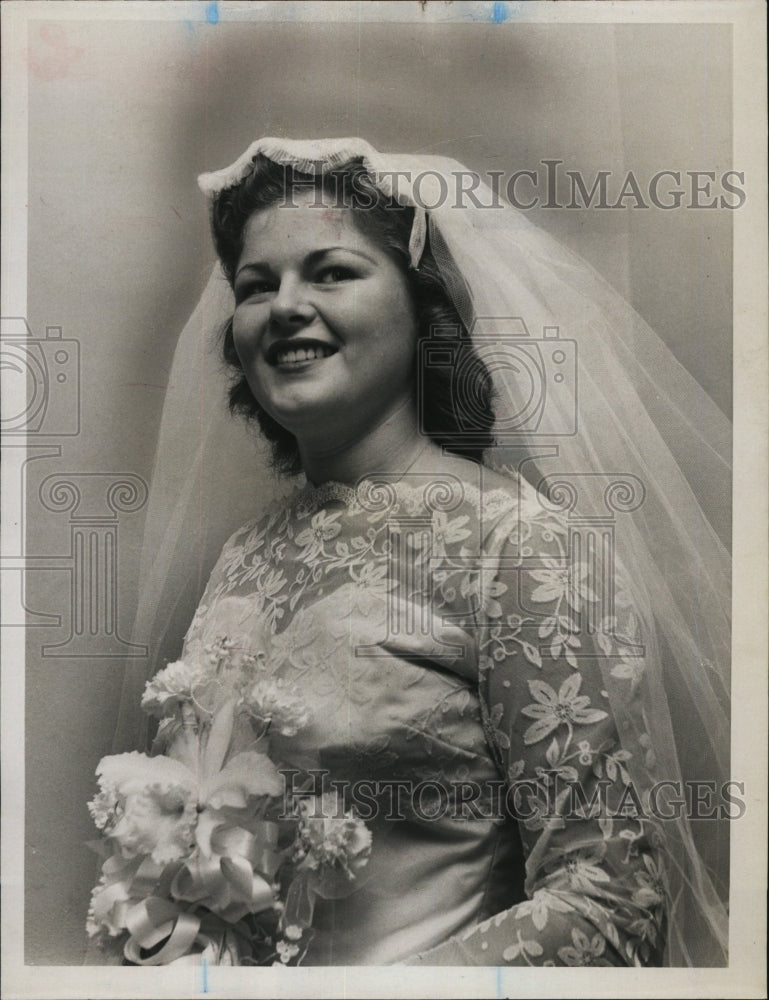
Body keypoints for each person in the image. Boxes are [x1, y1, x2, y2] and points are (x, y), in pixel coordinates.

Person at [116, 137, 731, 967]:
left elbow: (610, 900)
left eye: (331, 272)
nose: (284, 306)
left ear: (420, 306)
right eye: (256, 285)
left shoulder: (516, 545)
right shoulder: (243, 556)